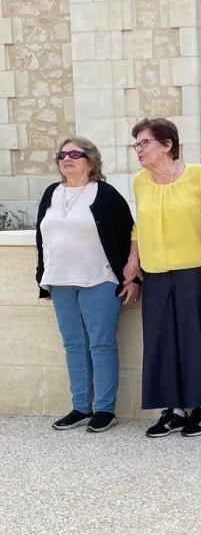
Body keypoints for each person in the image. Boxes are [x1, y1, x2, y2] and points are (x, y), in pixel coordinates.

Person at [127, 118, 201, 438]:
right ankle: (173, 410)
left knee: (195, 340)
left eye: (144, 143)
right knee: (161, 342)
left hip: (195, 269)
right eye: (136, 144)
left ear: (167, 145)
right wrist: (133, 260)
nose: (138, 150)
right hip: (155, 273)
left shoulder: (199, 175)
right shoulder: (140, 181)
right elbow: (139, 225)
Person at [35, 138, 138, 433]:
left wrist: (133, 278)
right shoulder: (51, 193)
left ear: (91, 161)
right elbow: (42, 239)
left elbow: (129, 234)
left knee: (101, 344)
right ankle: (81, 406)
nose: (66, 159)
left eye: (74, 154)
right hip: (60, 281)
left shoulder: (105, 194)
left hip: (99, 279)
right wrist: (42, 276)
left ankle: (104, 409)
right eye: (62, 155)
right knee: (73, 345)